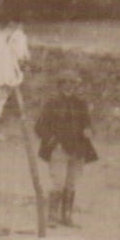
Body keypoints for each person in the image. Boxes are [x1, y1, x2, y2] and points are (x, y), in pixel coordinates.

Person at [34, 72, 97, 227]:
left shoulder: (81, 104)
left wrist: (89, 130)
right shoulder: (52, 103)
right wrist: (54, 142)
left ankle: (67, 217)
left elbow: (88, 124)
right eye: (66, 83)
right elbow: (40, 127)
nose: (70, 86)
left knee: (72, 184)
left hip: (79, 150)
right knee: (58, 183)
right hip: (59, 150)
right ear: (60, 85)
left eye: (73, 84)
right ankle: (52, 216)